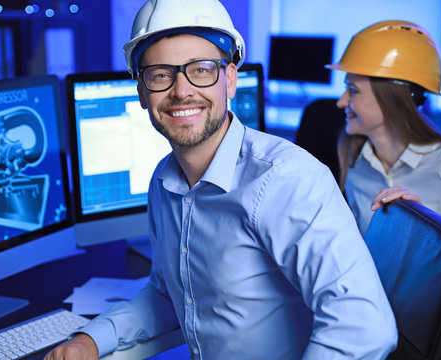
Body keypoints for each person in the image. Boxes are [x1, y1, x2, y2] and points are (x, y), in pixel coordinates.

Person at [45, 1, 397, 359]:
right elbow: (168, 294)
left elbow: (363, 327)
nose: (181, 91)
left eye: (200, 70)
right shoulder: (164, 182)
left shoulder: (288, 180)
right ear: (140, 91)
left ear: (229, 80)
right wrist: (90, 339)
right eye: (161, 74)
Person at [327, 20, 441, 236]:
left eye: (353, 90)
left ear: (392, 99)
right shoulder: (351, 155)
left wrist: (430, 230)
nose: (341, 102)